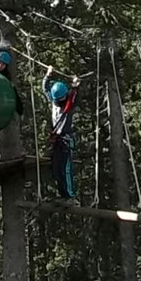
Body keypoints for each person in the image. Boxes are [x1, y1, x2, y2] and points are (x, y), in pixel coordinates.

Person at [42, 66, 81, 200]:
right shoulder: (54, 101)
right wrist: (48, 74)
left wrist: (75, 84)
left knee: (66, 169)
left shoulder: (68, 105)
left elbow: (75, 92)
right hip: (57, 140)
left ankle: (69, 196)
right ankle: (63, 195)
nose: (58, 101)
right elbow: (45, 87)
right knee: (56, 169)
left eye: (61, 98)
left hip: (65, 140)